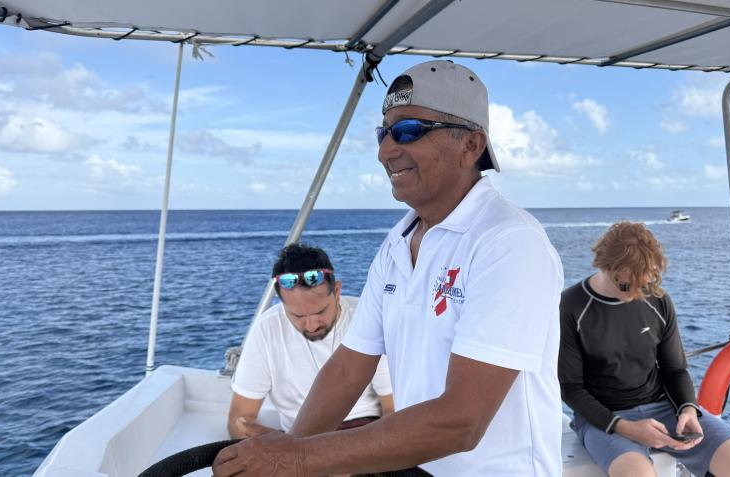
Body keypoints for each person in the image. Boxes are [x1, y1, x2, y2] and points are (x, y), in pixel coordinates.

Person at [213, 60, 564, 476]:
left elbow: (462, 421)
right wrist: (292, 452)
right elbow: (348, 368)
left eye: (409, 131)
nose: (385, 151)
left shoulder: (508, 241)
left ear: (471, 145)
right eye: (383, 133)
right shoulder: (397, 243)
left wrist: (298, 458)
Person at [559, 221, 730, 477]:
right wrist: (626, 427)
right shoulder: (570, 307)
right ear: (604, 266)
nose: (636, 294)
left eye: (644, 285)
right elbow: (570, 388)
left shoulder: (658, 301)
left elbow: (675, 369)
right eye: (627, 286)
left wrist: (688, 409)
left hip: (662, 407)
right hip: (604, 418)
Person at [228, 243, 393, 438]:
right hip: (296, 439)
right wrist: (285, 448)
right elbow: (239, 420)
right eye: (297, 316)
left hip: (363, 434)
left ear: (337, 291)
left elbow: (393, 411)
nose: (311, 325)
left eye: (320, 312)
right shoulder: (267, 329)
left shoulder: (366, 320)